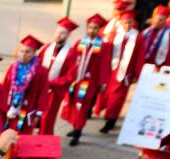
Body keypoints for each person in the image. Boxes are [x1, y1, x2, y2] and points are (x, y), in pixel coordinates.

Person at [62, 13, 112, 146]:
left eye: (95, 28)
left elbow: (105, 64)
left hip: (89, 82)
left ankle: (77, 133)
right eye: (90, 27)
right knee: (73, 103)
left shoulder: (104, 45)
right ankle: (75, 127)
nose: (92, 30)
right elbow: (72, 60)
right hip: (75, 80)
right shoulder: (80, 42)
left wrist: (103, 82)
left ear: (99, 29)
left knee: (82, 106)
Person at [98, 10, 145, 135]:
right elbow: (106, 52)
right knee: (106, 95)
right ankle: (105, 114)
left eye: (130, 22)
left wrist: (137, 74)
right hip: (111, 70)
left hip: (125, 73)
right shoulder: (114, 35)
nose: (127, 25)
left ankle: (110, 121)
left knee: (117, 99)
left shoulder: (138, 37)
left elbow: (140, 57)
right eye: (125, 22)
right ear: (121, 22)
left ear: (133, 23)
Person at [0, 36, 48, 133]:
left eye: (28, 52)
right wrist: (2, 106)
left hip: (28, 110)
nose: (23, 54)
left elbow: (43, 93)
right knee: (7, 132)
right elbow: (5, 87)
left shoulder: (41, 71)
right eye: (22, 51)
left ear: (34, 53)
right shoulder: (13, 67)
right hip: (12, 107)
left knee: (23, 136)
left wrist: (38, 113)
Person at [38, 18, 80, 136]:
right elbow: (37, 65)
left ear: (68, 35)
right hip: (40, 89)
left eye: (63, 33)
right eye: (57, 32)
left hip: (54, 92)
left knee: (47, 119)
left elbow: (70, 76)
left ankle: (44, 142)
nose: (58, 35)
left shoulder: (71, 53)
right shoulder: (47, 48)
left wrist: (51, 83)